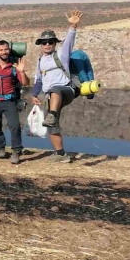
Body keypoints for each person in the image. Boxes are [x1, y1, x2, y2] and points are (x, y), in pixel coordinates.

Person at [31, 10, 84, 162]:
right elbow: (39, 80)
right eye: (44, 42)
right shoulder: (40, 61)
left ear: (55, 43)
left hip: (66, 90)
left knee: (55, 90)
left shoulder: (62, 54)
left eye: (50, 42)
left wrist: (73, 26)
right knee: (51, 126)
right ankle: (61, 155)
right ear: (40, 45)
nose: (47, 44)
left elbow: (69, 42)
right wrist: (34, 95)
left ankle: (52, 115)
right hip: (51, 97)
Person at [0, 41, 30, 164]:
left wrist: (22, 72)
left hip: (9, 101)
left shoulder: (15, 66)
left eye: (6, 49)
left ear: (9, 50)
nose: (4, 52)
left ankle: (16, 151)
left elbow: (26, 83)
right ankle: (0, 149)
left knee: (14, 126)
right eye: (1, 50)